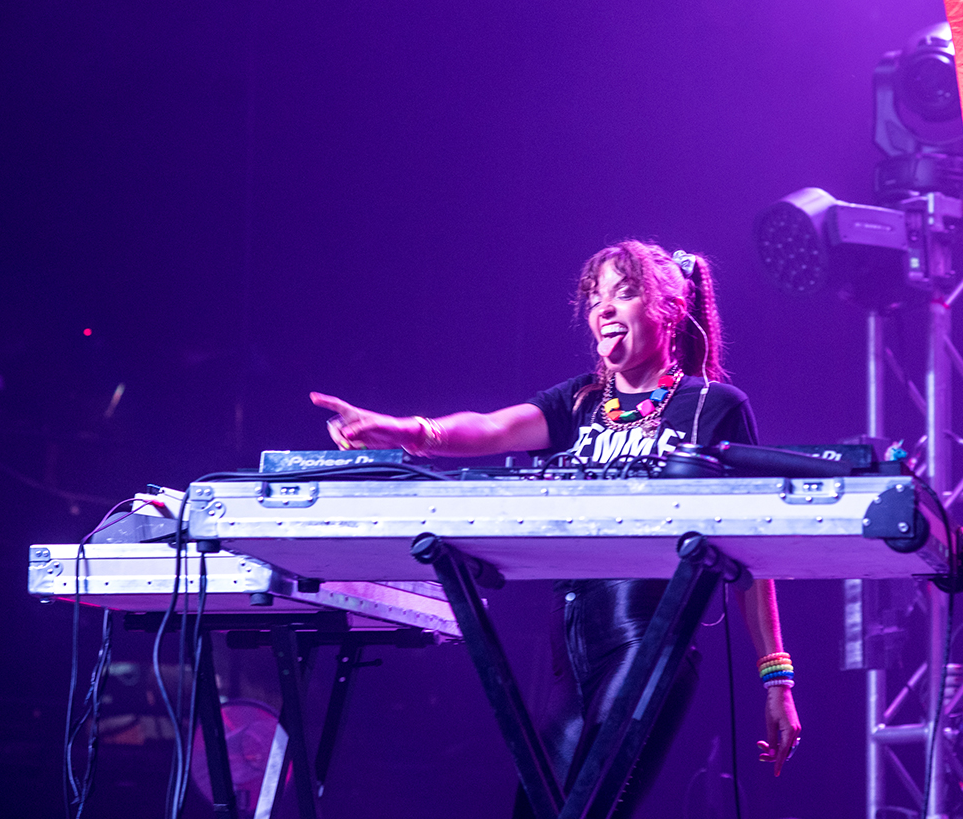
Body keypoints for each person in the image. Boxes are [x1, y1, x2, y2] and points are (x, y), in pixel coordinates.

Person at [310, 239, 801, 815]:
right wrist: (405, 431)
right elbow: (490, 429)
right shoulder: (579, 402)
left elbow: (751, 554)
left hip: (648, 636)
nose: (604, 309)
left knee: (590, 808)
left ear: (669, 307)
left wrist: (777, 680)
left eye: (625, 293)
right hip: (568, 650)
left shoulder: (713, 407)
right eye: (595, 299)